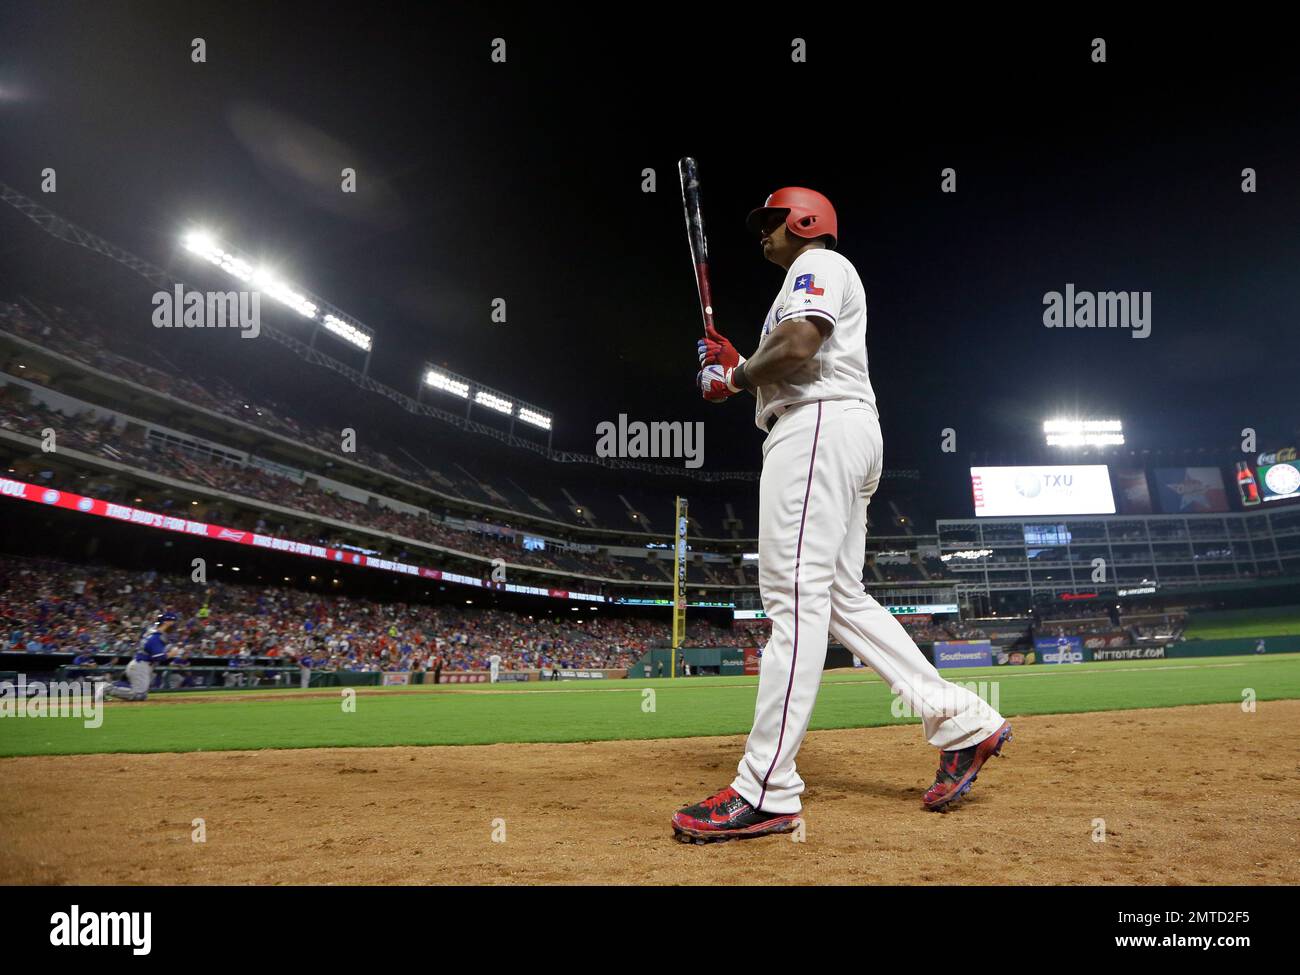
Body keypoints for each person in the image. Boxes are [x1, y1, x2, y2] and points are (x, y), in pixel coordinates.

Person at [673, 187, 1010, 843]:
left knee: (793, 599)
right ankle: (964, 719)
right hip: (842, 430)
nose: (762, 233)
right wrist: (739, 366)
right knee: (835, 599)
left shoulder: (818, 265)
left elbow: (800, 342)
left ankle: (765, 790)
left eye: (770, 221)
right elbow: (792, 356)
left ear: (803, 220)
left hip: (819, 430)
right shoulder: (810, 279)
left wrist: (737, 380)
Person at [104, 612, 177, 702]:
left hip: (140, 665)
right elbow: (158, 657)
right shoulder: (155, 637)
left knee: (142, 695)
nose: (174, 625)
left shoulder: (151, 633)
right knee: (139, 695)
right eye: (173, 621)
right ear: (166, 622)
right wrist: (171, 654)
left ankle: (112, 686)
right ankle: (105, 688)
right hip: (140, 666)